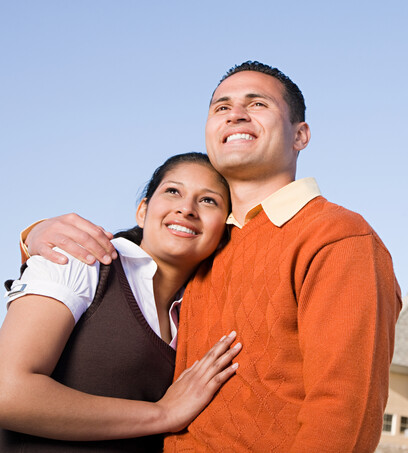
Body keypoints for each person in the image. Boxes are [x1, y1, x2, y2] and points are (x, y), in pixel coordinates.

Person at [22, 62, 403, 452]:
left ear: (300, 135)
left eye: (258, 104)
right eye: (221, 107)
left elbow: (343, 412)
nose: (235, 113)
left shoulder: (338, 236)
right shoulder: (210, 248)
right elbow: (138, 257)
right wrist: (35, 234)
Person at [1, 152, 242, 452]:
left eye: (209, 200)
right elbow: (7, 393)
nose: (186, 209)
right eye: (172, 191)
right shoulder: (83, 259)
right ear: (142, 211)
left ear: (224, 231)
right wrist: (163, 414)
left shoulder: (202, 316)